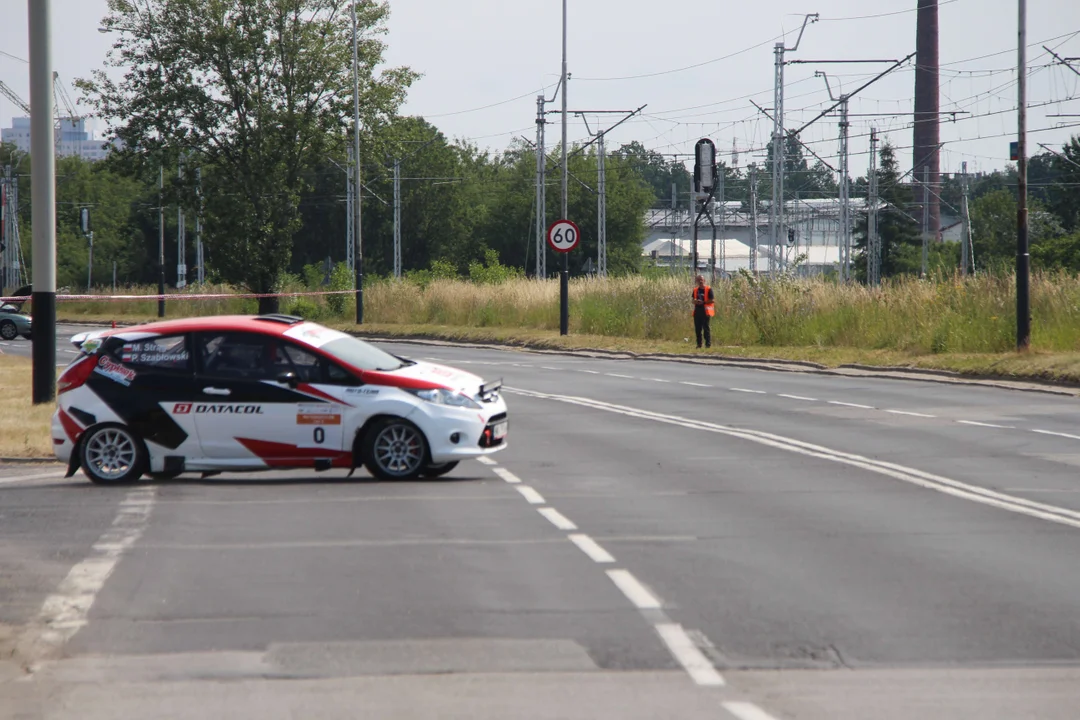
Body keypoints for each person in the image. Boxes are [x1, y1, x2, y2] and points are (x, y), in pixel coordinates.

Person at [691, 274, 714, 349]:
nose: (700, 281)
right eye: (699, 280)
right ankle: (699, 344)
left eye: (702, 280)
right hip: (697, 311)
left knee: (706, 328)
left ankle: (708, 344)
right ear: (697, 281)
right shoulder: (695, 290)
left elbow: (712, 300)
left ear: (704, 280)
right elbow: (692, 300)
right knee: (698, 329)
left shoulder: (708, 289)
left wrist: (703, 302)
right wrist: (695, 301)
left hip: (705, 311)